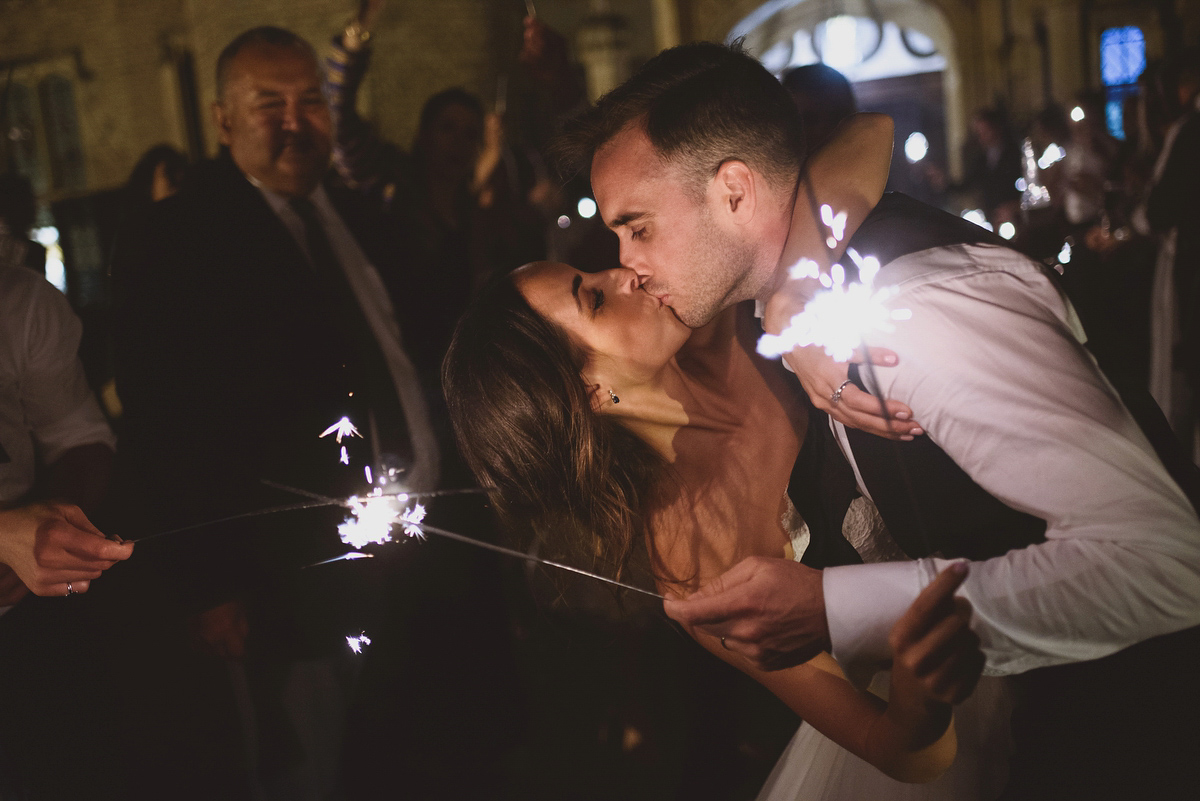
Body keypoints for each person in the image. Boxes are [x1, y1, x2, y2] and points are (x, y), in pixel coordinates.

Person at [550, 41, 1200, 799]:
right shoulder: (785, 313)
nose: (626, 262)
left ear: (732, 191)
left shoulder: (910, 312)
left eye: (638, 226)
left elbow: (1170, 561)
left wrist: (832, 609)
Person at [445, 112, 1012, 796]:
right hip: (989, 676)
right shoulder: (693, 560)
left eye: (592, 269)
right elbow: (897, 750)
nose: (622, 270)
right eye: (592, 297)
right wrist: (923, 683)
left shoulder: (718, 313)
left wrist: (792, 296)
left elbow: (869, 136)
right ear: (586, 393)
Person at [111, 25, 437, 796]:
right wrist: (208, 584)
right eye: (269, 105)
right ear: (223, 121)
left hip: (413, 554)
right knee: (303, 766)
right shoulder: (177, 237)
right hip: (286, 580)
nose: (296, 122)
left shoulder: (358, 217)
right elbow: (164, 423)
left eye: (311, 102)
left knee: (406, 754)